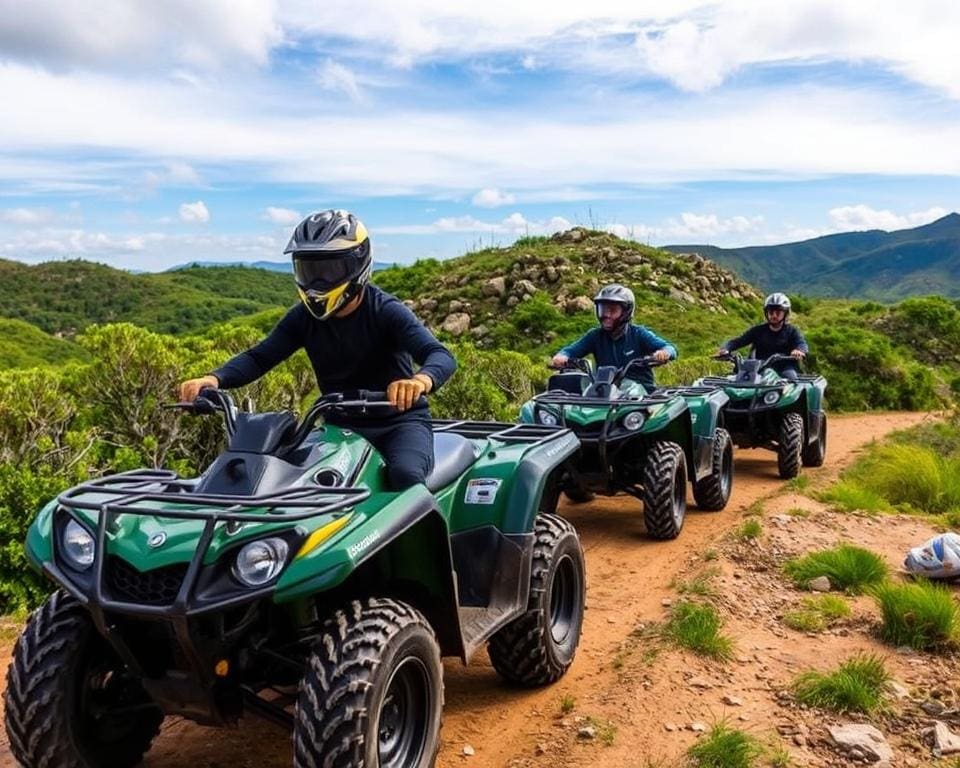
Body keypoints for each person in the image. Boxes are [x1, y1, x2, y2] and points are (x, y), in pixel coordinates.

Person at [178, 209, 456, 490]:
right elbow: (260, 357)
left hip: (398, 424)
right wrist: (214, 378)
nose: (316, 283)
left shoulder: (386, 311)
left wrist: (420, 381)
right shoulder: (303, 318)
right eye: (309, 270)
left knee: (406, 477)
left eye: (329, 270)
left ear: (357, 265)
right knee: (285, 482)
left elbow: (440, 355)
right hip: (339, 427)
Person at [550, 283, 676, 391]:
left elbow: (670, 348)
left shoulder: (638, 334)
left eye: (612, 310)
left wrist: (663, 353)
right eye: (603, 310)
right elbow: (571, 350)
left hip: (640, 395)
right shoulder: (595, 336)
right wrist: (562, 356)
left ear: (626, 312)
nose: (607, 315)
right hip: (606, 392)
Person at [718, 292, 808, 380]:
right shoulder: (758, 330)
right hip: (760, 366)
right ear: (766, 313)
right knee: (736, 378)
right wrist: (726, 348)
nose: (774, 315)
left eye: (778, 313)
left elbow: (801, 343)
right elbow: (738, 341)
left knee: (791, 378)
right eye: (771, 312)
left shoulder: (792, 331)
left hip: (784, 366)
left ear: (785, 314)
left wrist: (799, 350)